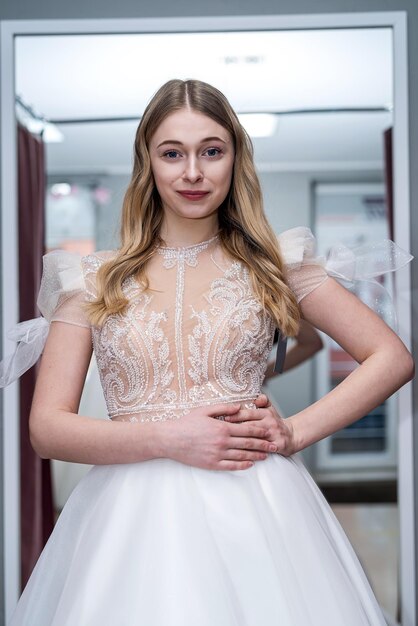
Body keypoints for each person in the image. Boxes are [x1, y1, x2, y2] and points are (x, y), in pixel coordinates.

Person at [1, 78, 414, 626]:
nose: (192, 172)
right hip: (125, 520)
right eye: (172, 153)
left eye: (211, 151)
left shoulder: (278, 264)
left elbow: (392, 357)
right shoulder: (90, 279)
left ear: (234, 158)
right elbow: (46, 428)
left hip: (256, 504)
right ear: (147, 162)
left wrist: (295, 431)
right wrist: (167, 436)